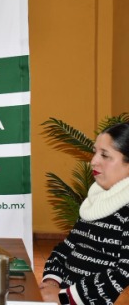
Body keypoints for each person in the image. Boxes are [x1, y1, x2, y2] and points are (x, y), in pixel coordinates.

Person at [40, 122, 129, 305]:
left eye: (105, 155)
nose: (93, 161)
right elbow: (66, 247)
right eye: (95, 152)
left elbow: (124, 273)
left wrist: (64, 297)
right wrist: (51, 281)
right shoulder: (96, 200)